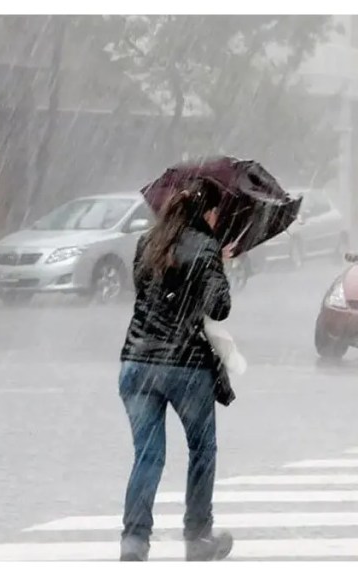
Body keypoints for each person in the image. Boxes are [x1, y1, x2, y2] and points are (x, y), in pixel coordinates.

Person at [118, 178, 235, 562]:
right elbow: (219, 307)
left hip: (137, 362)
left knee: (147, 457)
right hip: (185, 366)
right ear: (209, 212)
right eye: (218, 213)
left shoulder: (148, 242)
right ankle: (198, 537)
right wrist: (219, 266)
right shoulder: (206, 246)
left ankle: (134, 541)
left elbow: (145, 289)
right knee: (202, 449)